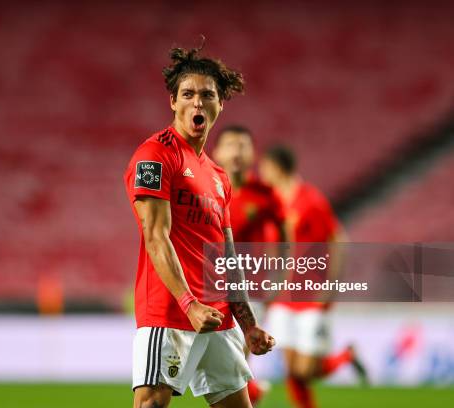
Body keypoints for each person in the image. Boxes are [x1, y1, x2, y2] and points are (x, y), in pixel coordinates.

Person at [123, 43, 275, 408]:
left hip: (218, 317)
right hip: (172, 311)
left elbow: (227, 256)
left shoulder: (219, 176)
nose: (197, 102)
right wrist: (189, 303)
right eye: (187, 94)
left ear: (220, 104)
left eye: (208, 95)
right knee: (152, 405)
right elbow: (156, 237)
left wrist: (249, 324)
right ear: (173, 102)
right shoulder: (156, 156)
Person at [259, 146, 367, 408]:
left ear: (277, 167)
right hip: (284, 297)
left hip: (311, 294)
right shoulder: (272, 204)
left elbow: (338, 240)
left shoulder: (310, 199)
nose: (261, 173)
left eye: (265, 167)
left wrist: (331, 286)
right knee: (293, 371)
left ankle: (345, 356)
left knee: (305, 370)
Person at [212, 125, 288, 405]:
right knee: (226, 365)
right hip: (209, 287)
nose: (237, 151)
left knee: (237, 357)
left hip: (249, 288)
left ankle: (251, 394)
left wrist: (279, 277)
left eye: (243, 145)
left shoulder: (264, 193)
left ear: (253, 153)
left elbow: (283, 237)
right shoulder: (205, 187)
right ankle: (254, 392)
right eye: (231, 145)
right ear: (216, 152)